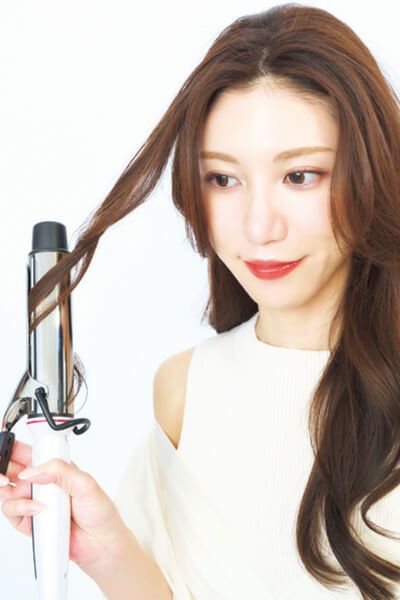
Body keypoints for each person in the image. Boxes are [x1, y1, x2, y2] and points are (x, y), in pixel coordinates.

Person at [2, 3, 400, 599]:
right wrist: (109, 553)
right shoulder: (185, 388)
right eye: (223, 179)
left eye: (300, 176)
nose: (259, 227)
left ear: (371, 172)